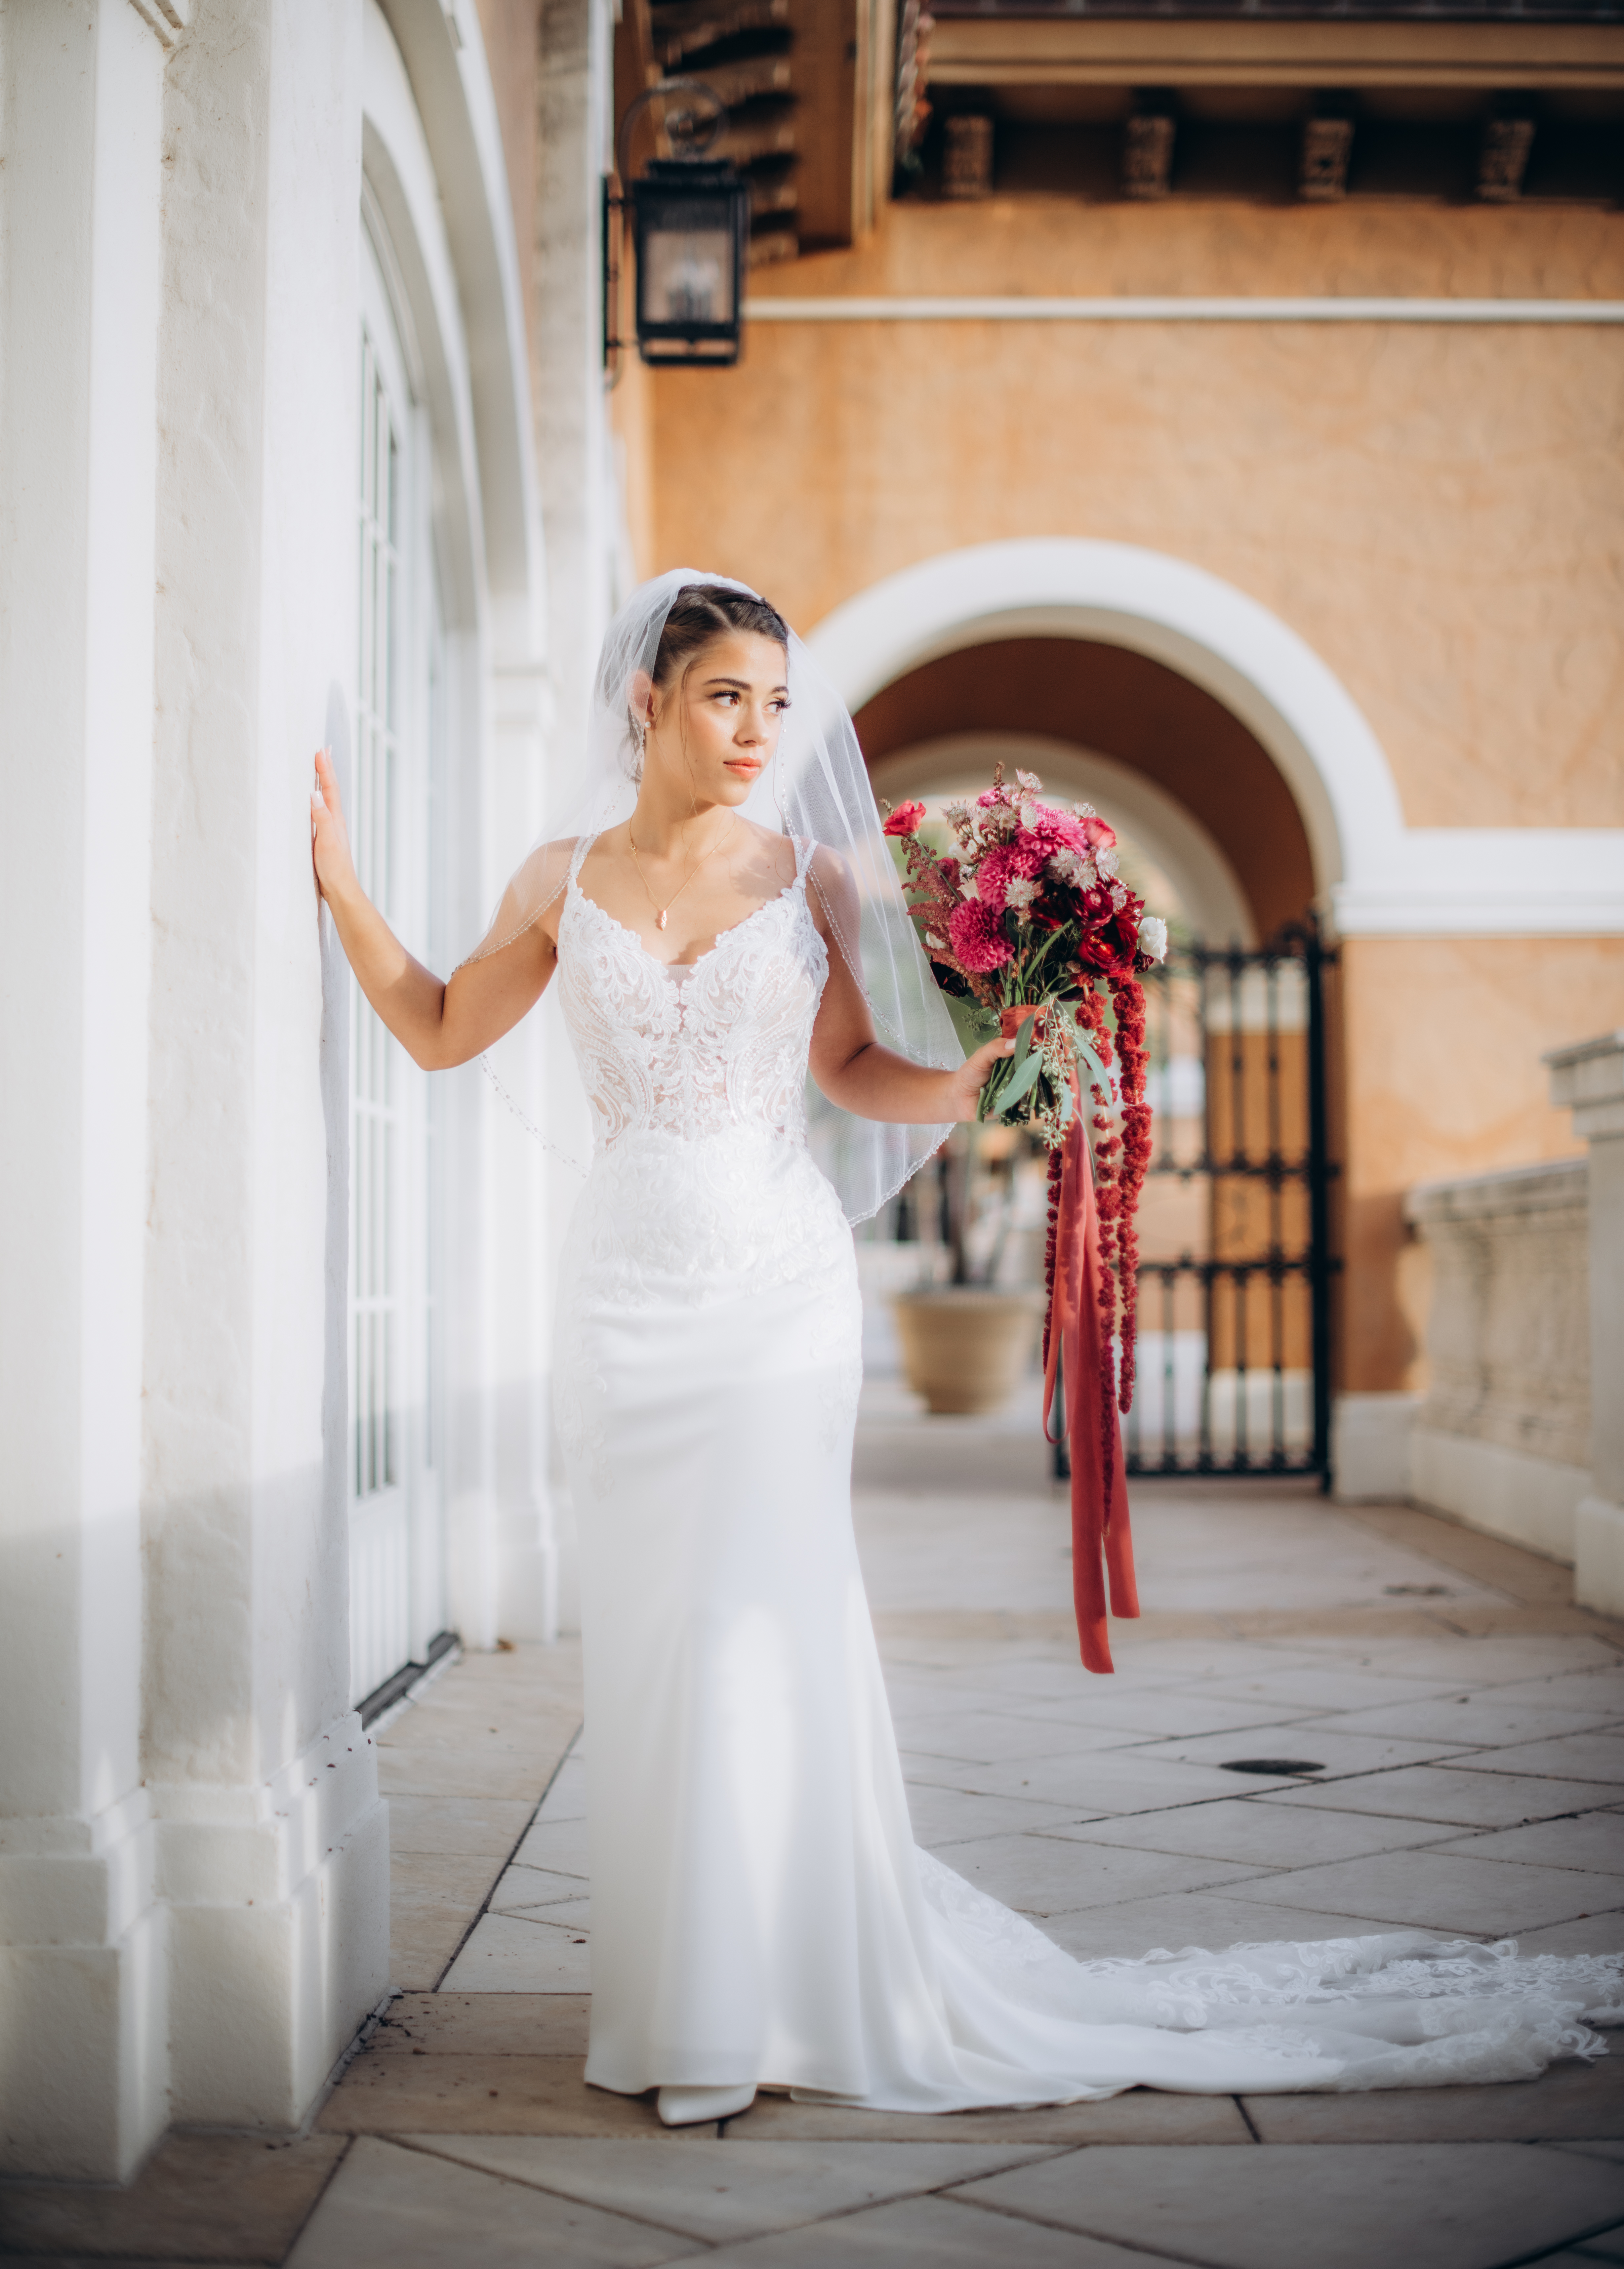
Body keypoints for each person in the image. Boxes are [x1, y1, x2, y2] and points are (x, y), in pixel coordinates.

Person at [313, 570, 1620, 2127]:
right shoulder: (559, 877)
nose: (757, 731)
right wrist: (337, 884)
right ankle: (683, 1998)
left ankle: (773, 2002)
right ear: (646, 701)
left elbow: (858, 1067)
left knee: (761, 1620)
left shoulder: (810, 879)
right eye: (727, 695)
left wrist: (985, 1076)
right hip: (622, 1293)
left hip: (774, 1291)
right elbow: (446, 1026)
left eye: (778, 703)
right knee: (659, 1639)